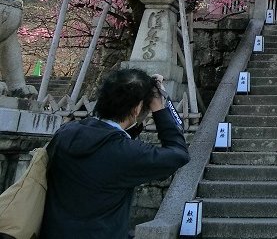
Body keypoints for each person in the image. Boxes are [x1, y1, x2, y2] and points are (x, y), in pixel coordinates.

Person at [40, 68, 189, 239]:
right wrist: (158, 108)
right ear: (137, 108)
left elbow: (107, 141)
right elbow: (178, 153)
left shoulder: (65, 133)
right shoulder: (126, 154)